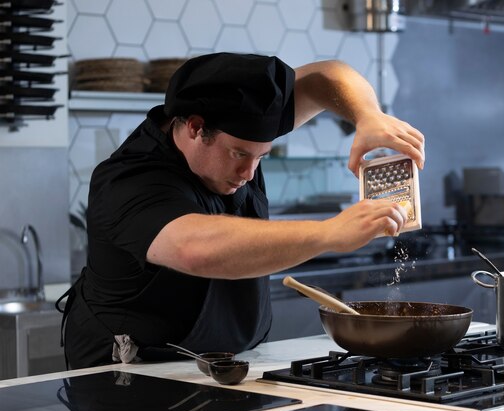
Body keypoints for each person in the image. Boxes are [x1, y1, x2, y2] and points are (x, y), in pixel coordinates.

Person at [58, 52, 425, 369]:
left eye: (261, 157)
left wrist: (367, 115)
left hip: (224, 362)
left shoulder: (243, 128)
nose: (249, 173)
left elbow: (325, 76)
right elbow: (194, 247)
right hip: (132, 371)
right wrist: (330, 233)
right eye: (239, 154)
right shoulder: (129, 180)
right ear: (194, 128)